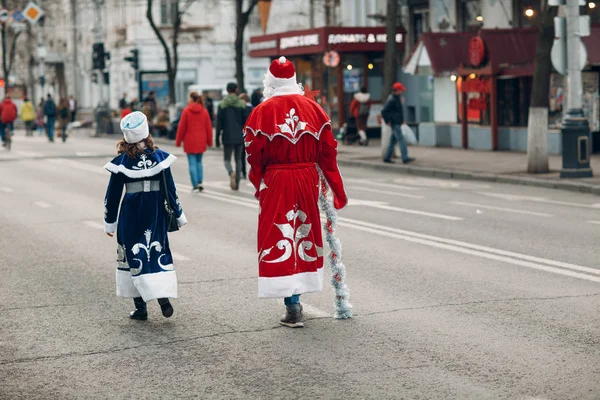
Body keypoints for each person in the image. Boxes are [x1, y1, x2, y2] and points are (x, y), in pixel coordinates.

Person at [244, 56, 348, 328]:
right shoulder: (314, 109)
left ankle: (292, 305)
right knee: (303, 229)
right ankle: (295, 297)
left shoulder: (262, 111)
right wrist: (337, 189)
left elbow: (253, 154)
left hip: (276, 178)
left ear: (271, 81)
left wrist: (258, 182)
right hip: (306, 177)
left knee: (279, 231)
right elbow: (328, 153)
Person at [104, 111, 187, 321]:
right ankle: (163, 299)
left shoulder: (122, 161)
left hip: (131, 212)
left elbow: (112, 195)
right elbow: (171, 189)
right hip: (155, 210)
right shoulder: (159, 157)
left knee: (134, 254)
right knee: (155, 250)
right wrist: (178, 214)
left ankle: (140, 308)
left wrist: (110, 223)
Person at [175, 91, 213, 192]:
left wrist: (178, 141)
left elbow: (181, 127)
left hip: (189, 140)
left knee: (192, 163)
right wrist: (209, 141)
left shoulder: (186, 111)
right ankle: (200, 181)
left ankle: (195, 185)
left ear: (191, 99)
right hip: (201, 139)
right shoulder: (204, 111)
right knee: (199, 162)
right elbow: (208, 127)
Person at [216, 82, 249, 191]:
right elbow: (246, 122)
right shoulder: (242, 104)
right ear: (236, 90)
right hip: (239, 136)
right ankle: (237, 183)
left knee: (227, 160)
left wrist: (217, 138)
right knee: (238, 160)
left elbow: (218, 124)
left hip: (227, 136)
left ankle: (231, 172)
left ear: (227, 90)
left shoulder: (222, 105)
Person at [381, 82, 415, 164]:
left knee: (393, 140)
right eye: (401, 90)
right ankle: (405, 157)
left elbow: (398, 111)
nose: (402, 92)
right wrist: (387, 120)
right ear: (397, 90)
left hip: (396, 121)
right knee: (401, 139)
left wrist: (401, 119)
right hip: (395, 122)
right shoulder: (392, 99)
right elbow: (384, 111)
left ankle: (387, 157)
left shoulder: (396, 98)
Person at [238, 92, 254, 179]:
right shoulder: (254, 108)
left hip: (244, 134)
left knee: (242, 155)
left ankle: (243, 172)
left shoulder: (242, 109)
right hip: (252, 134)